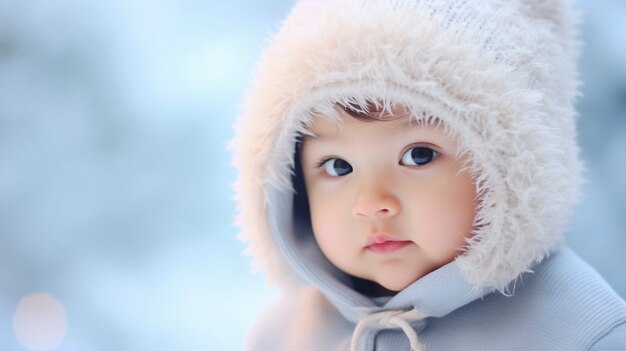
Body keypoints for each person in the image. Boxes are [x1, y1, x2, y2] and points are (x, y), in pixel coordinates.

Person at [230, 0, 626, 350]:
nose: (371, 204)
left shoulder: (580, 329)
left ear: (510, 166)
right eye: (338, 166)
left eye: (418, 156)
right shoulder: (285, 332)